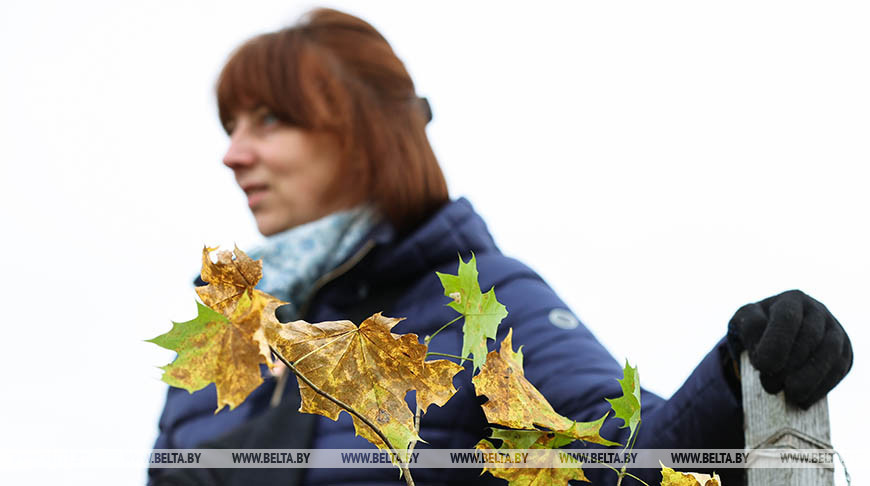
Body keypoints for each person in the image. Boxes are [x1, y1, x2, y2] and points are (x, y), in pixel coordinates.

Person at [149, 8, 853, 485]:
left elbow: (622, 463)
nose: (233, 153)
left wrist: (735, 380)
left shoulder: (480, 307)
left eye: (270, 120)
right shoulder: (225, 340)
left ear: (365, 132)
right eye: (230, 123)